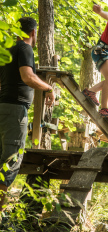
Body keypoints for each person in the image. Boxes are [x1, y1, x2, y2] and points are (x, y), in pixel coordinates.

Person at [0, 17, 55, 211]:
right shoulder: (24, 48)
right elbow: (28, 77)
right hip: (15, 110)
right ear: (33, 32)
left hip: (3, 107)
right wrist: (48, 88)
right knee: (11, 159)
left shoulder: (7, 51)